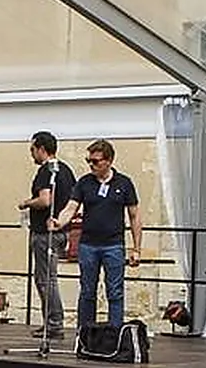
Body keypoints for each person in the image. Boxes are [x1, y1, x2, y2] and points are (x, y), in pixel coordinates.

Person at [49, 139, 141, 330]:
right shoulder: (84, 183)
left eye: (96, 161)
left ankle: (115, 334)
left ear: (109, 161)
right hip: (88, 245)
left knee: (115, 292)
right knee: (87, 291)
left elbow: (134, 216)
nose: (91, 165)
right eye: (88, 161)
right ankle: (85, 334)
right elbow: (71, 207)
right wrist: (60, 221)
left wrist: (136, 248)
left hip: (114, 245)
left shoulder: (124, 183)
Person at [16, 131, 76, 341]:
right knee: (48, 278)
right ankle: (52, 322)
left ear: (42, 149)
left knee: (45, 279)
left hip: (45, 232)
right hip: (62, 231)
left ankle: (54, 323)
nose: (32, 154)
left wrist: (26, 203)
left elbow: (45, 200)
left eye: (33, 150)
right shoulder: (66, 171)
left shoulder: (45, 171)